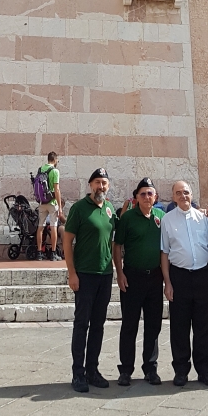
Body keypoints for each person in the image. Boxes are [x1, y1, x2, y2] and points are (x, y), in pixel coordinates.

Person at [161, 180, 208, 387]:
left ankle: (205, 370)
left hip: (203, 277)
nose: (183, 196)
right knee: (179, 327)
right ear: (173, 197)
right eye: (178, 193)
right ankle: (181, 370)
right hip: (179, 277)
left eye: (185, 192)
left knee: (203, 326)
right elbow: (164, 253)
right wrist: (167, 282)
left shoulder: (203, 219)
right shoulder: (167, 220)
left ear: (191, 194)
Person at [63, 167, 116, 393]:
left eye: (104, 183)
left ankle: (93, 370)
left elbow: (113, 241)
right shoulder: (78, 209)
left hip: (105, 274)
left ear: (108, 186)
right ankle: (78, 373)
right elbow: (66, 242)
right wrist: (71, 273)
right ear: (90, 185)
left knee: (98, 325)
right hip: (84, 275)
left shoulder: (110, 208)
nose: (100, 187)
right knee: (81, 324)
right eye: (97, 183)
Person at [113, 177, 165, 387]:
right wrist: (120, 273)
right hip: (132, 277)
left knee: (153, 325)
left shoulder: (162, 217)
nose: (146, 197)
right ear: (136, 197)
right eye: (142, 194)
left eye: (150, 193)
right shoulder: (127, 218)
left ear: (155, 197)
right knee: (129, 325)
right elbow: (117, 246)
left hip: (155, 277)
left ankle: (150, 368)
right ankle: (126, 370)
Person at [35, 151, 64, 260]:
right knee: (53, 227)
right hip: (51, 202)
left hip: (42, 202)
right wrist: (60, 207)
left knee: (40, 227)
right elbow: (56, 189)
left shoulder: (40, 169)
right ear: (55, 159)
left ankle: (39, 252)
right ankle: (53, 253)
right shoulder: (55, 171)